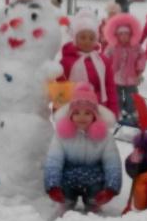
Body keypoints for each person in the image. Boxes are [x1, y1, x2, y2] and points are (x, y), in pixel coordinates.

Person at [43, 83, 122, 214]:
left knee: (95, 196)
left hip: (94, 178)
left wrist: (111, 188)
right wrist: (52, 186)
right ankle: (67, 202)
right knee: (65, 195)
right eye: (77, 113)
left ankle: (93, 203)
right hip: (68, 178)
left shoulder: (105, 136)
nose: (82, 117)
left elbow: (112, 162)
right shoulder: (62, 135)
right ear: (70, 115)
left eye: (87, 113)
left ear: (95, 115)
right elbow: (53, 160)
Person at [59, 9, 119, 116]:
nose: (87, 41)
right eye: (83, 37)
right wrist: (59, 110)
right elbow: (60, 88)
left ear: (96, 40)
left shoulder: (103, 61)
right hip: (73, 111)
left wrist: (112, 110)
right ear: (75, 38)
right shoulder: (67, 61)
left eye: (91, 38)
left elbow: (110, 87)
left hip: (98, 109)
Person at [103, 12, 147, 125]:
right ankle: (117, 111)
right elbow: (105, 57)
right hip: (116, 77)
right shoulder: (113, 47)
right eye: (121, 34)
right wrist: (105, 69)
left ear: (131, 34)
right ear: (116, 35)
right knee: (116, 95)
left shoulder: (135, 47)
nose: (123, 37)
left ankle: (132, 112)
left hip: (131, 76)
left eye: (126, 34)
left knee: (131, 95)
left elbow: (142, 56)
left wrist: (140, 69)